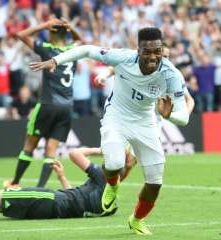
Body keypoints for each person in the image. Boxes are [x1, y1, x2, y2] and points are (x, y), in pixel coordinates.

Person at [29, 27, 189, 235]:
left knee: (155, 182)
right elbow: (86, 49)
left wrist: (169, 116)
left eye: (157, 51)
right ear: (138, 50)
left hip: (146, 122)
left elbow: (184, 117)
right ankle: (112, 187)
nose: (153, 56)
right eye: (147, 51)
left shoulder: (171, 74)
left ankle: (137, 220)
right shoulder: (123, 57)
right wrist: (56, 61)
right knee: (114, 163)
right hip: (117, 117)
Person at [0, 147, 136, 222]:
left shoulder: (103, 178)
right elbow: (77, 201)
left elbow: (74, 153)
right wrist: (62, 177)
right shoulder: (111, 201)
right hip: (55, 206)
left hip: (51, 201)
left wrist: (100, 149)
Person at [4, 18, 82, 189]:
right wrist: (71, 28)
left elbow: (21, 35)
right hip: (67, 107)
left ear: (51, 33)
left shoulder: (48, 49)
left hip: (48, 104)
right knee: (51, 150)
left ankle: (15, 182)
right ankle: (40, 189)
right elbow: (80, 40)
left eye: (48, 31)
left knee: (30, 145)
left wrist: (43, 25)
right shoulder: (73, 50)